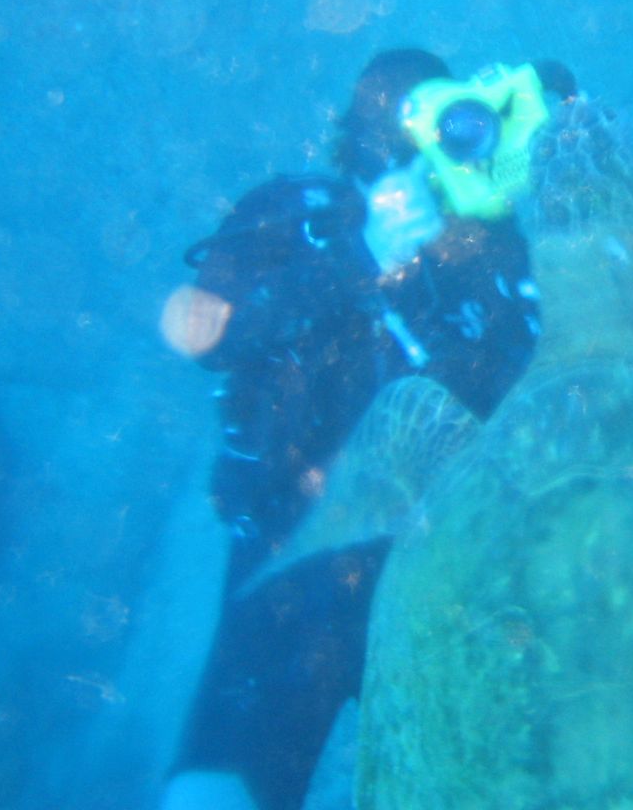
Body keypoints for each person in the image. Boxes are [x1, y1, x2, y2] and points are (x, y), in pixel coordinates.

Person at [160, 49, 576, 810]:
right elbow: (206, 334)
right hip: (291, 554)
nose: (418, 152)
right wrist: (358, 255)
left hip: (445, 575)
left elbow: (556, 406)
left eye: (446, 123)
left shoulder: (503, 257)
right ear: (355, 137)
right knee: (214, 792)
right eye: (397, 122)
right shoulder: (297, 213)